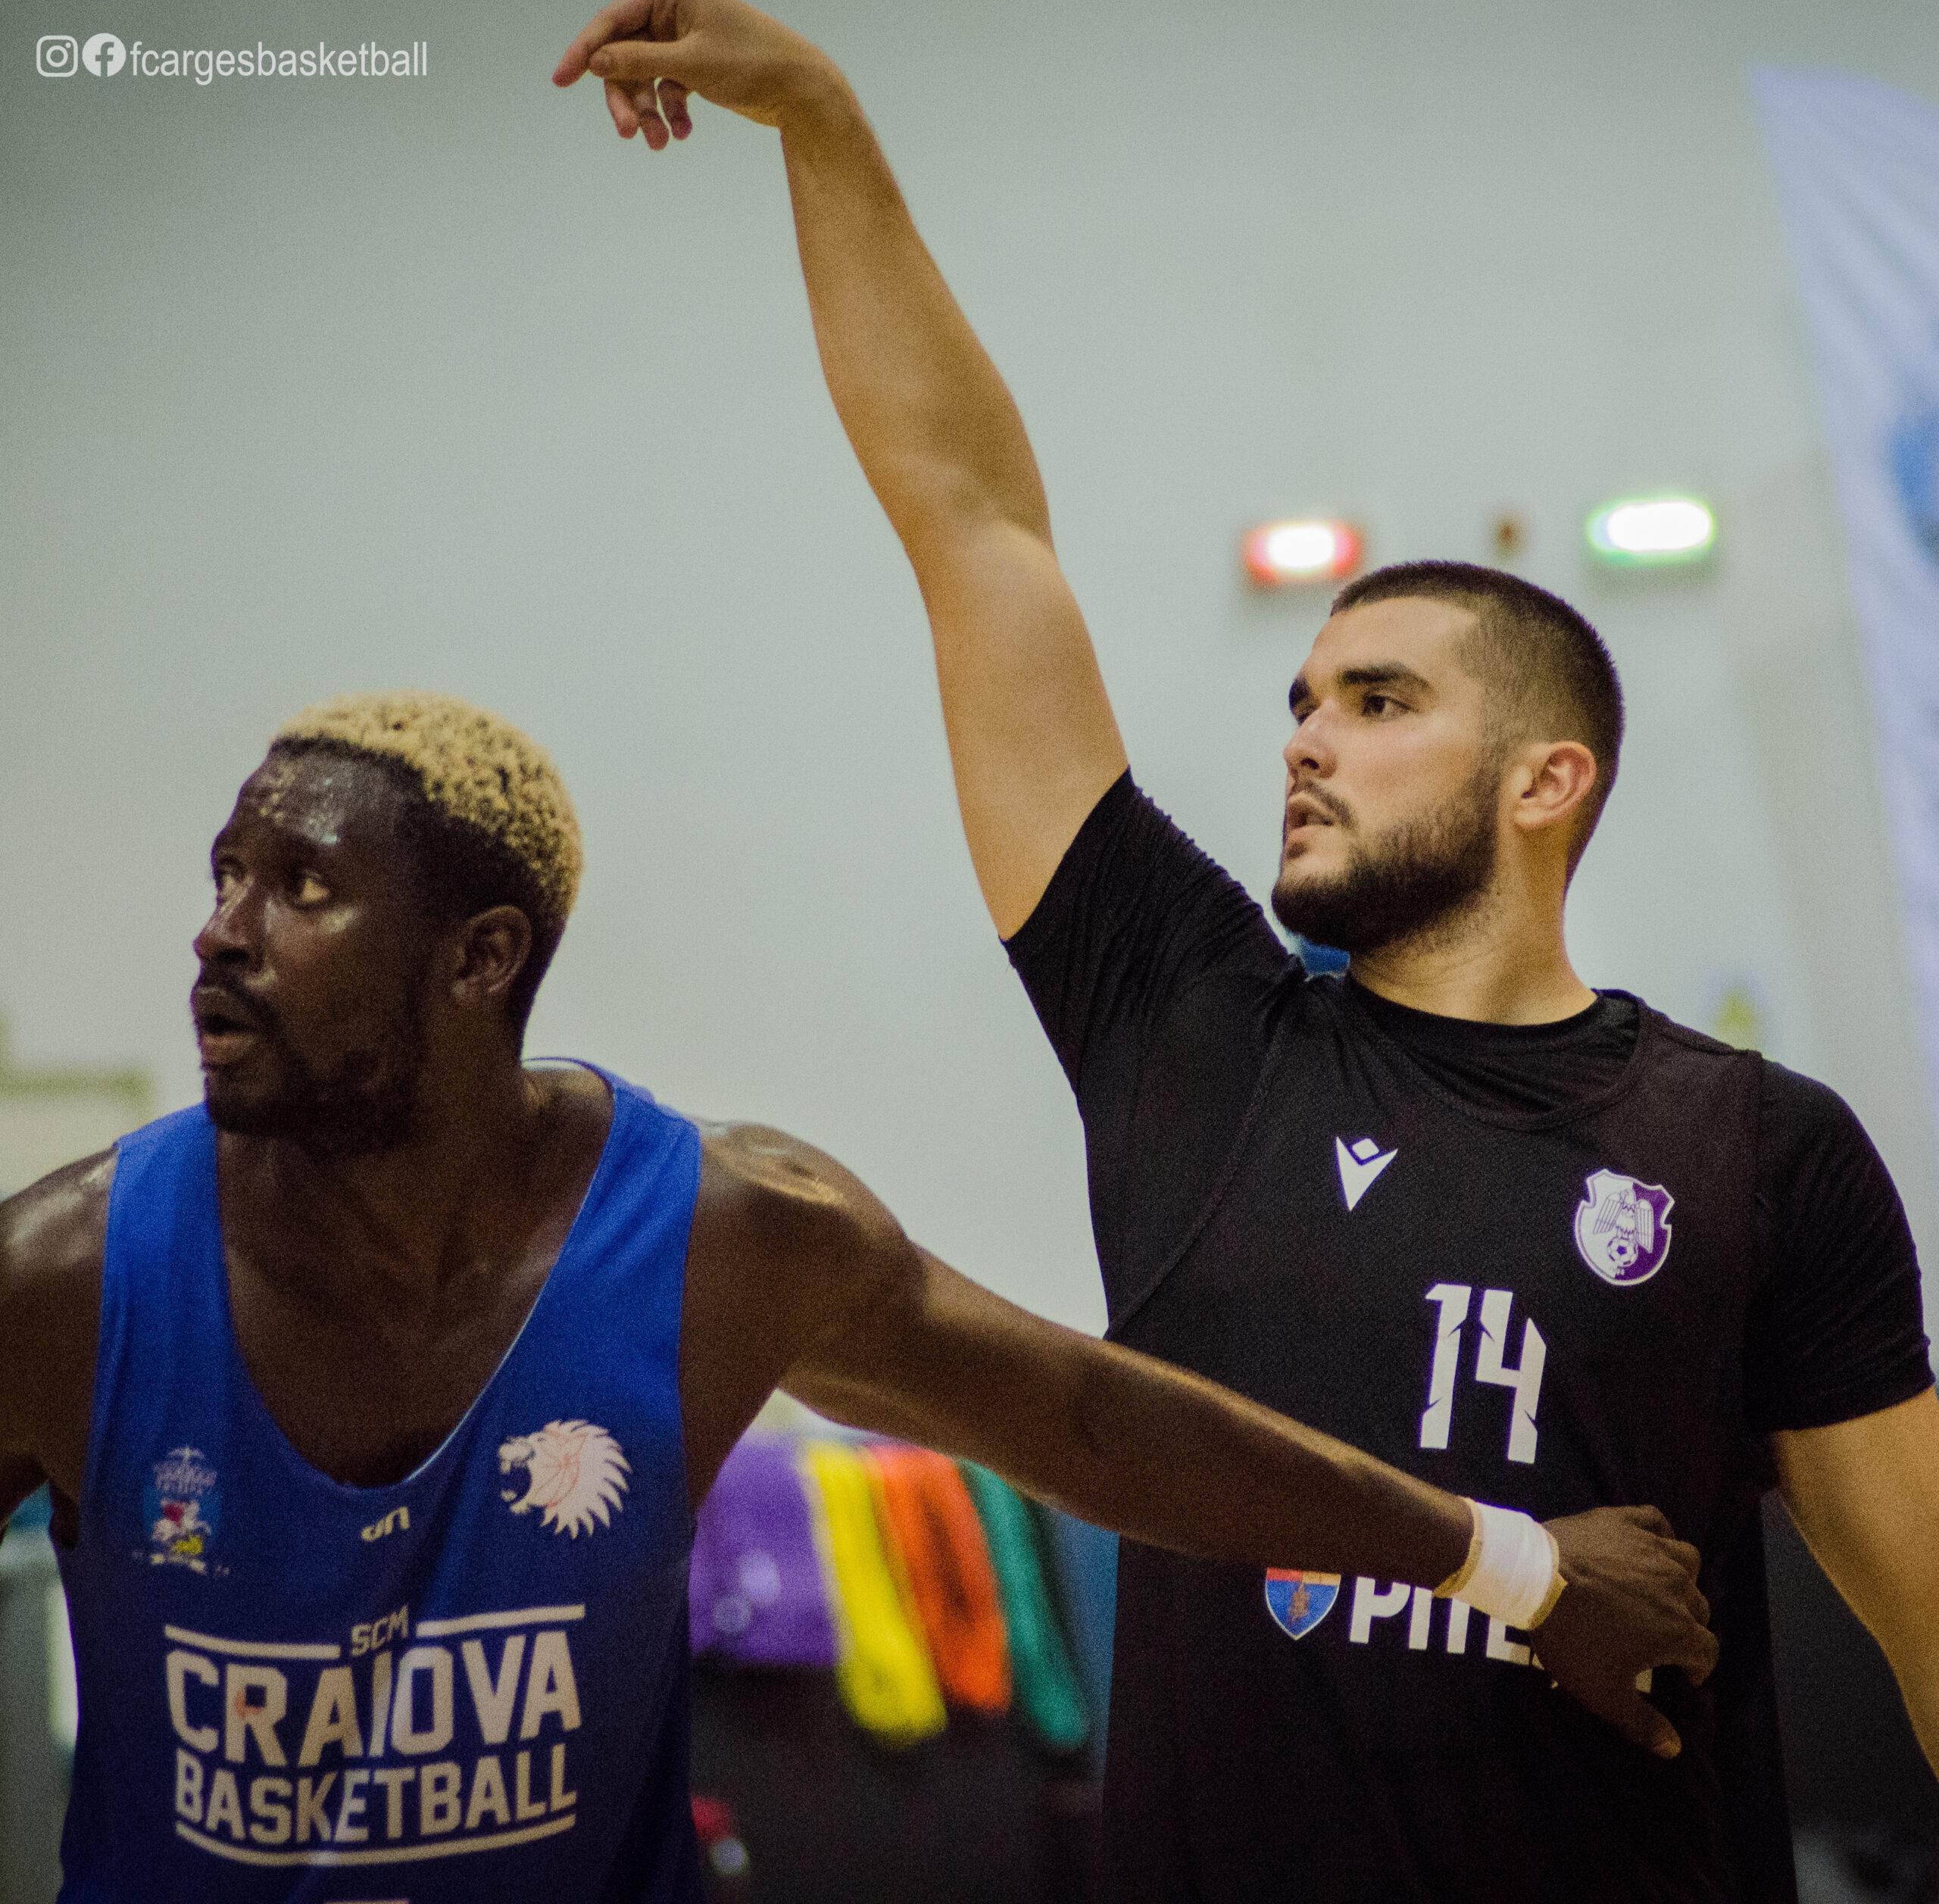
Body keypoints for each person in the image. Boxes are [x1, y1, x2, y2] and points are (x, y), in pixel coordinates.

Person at [554, 0, 1939, 1899]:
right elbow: (970, 523)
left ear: (1546, 780)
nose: (1303, 736)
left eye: (1376, 702)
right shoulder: (1188, 1024)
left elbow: (1924, 1616)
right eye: (1299, 699)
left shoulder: (1761, 1146)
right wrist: (825, 129)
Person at [0, 693, 1710, 1899]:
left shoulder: (723, 1235)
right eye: (224, 876)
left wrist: (1517, 1565)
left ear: (481, 958)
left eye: (299, 888)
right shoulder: (64, 1281)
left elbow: (1084, 1419)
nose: (222, 932)